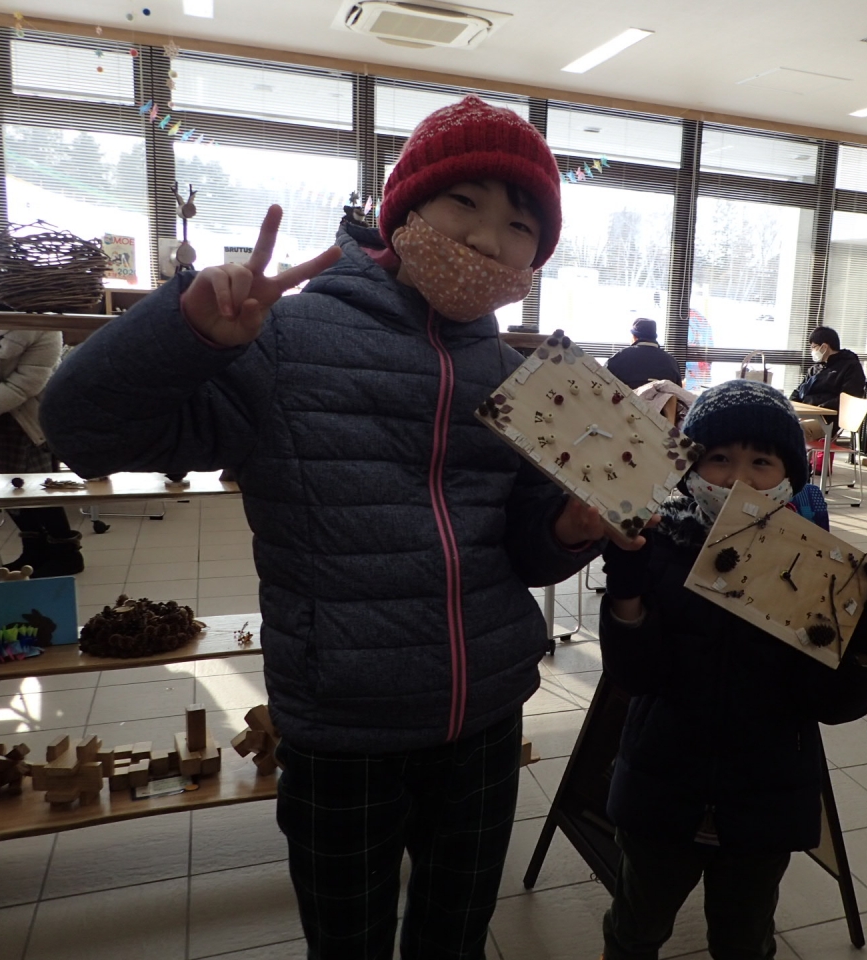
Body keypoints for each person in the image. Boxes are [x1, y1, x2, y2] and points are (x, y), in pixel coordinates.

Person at [40, 95, 617, 960]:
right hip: (345, 729)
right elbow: (81, 430)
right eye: (465, 202)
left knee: (455, 942)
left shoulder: (519, 381)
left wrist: (569, 529)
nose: (489, 240)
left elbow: (525, 552)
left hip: (486, 722)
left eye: (521, 225)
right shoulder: (285, 340)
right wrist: (187, 333)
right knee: (347, 946)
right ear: (404, 209)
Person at [597, 378, 867, 960]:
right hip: (660, 787)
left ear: (790, 475)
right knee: (636, 927)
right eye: (719, 458)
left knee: (744, 939)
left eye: (761, 462)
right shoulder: (661, 548)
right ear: (691, 466)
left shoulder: (816, 572)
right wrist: (627, 593)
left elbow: (833, 704)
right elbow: (634, 676)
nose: (738, 478)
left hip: (765, 798)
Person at [0, 277, 82, 577]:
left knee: (37, 487)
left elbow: (22, 386)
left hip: (26, 416)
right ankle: (34, 550)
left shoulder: (44, 328)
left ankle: (66, 554)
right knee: (6, 486)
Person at [790, 326, 867, 442]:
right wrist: (787, 405)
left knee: (794, 430)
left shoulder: (851, 367)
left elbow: (848, 398)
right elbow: (799, 391)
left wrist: (817, 410)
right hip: (808, 415)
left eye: (813, 347)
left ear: (824, 347)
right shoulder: (815, 369)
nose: (812, 351)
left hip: (830, 419)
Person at [606, 318, 682, 389]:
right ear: (654, 337)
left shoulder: (620, 357)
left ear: (634, 337)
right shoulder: (672, 362)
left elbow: (603, 382)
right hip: (663, 399)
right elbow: (678, 393)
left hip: (626, 399)